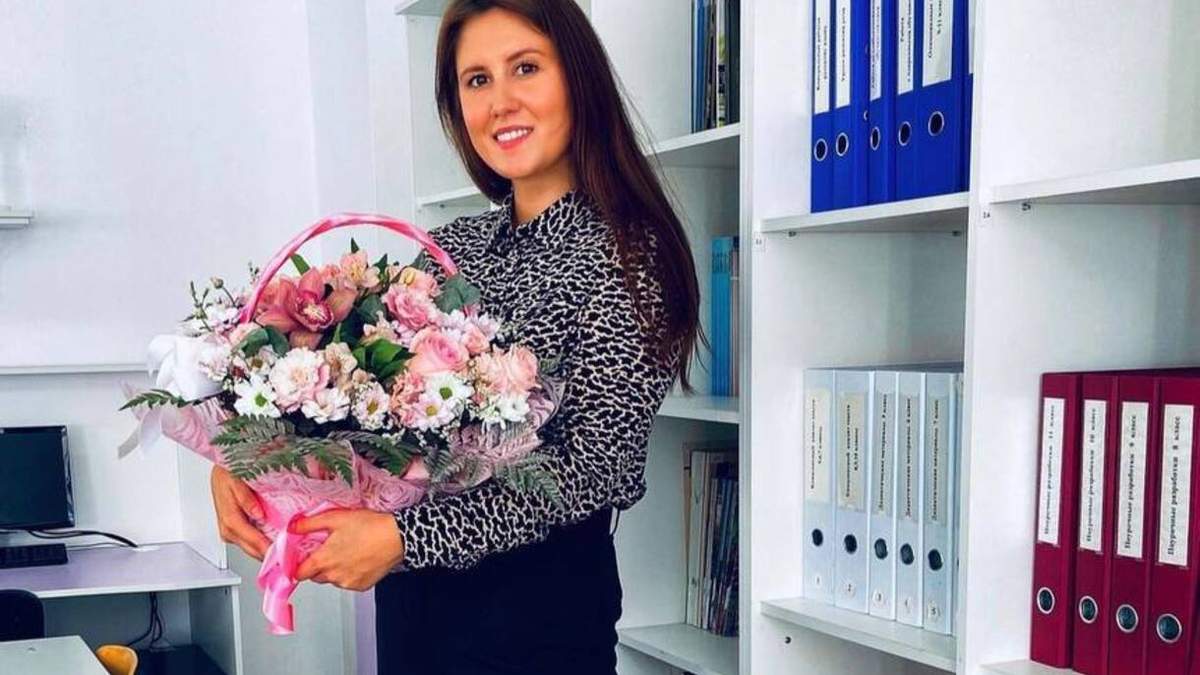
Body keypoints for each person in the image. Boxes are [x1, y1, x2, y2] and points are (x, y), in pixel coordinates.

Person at [209, 1, 703, 672]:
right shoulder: (449, 250)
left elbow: (593, 468)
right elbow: (358, 413)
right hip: (415, 617)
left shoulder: (630, 255)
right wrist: (246, 462)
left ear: (578, 77)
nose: (500, 102)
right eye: (477, 80)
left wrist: (404, 538)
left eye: (525, 68)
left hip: (537, 625)